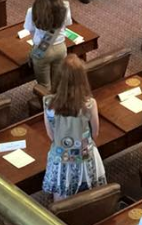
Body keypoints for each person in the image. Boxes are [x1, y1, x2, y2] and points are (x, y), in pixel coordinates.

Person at [43, 55, 106, 200]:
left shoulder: (48, 103)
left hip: (60, 156)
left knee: (60, 198)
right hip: (84, 155)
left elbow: (50, 134)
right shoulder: (89, 104)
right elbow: (95, 132)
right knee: (90, 195)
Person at [24, 0, 72, 91]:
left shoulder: (33, 10)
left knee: (44, 86)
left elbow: (30, 30)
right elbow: (68, 23)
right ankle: (58, 106)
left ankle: (47, 107)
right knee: (57, 84)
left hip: (42, 51)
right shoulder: (64, 6)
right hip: (60, 48)